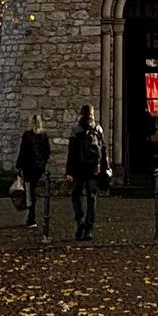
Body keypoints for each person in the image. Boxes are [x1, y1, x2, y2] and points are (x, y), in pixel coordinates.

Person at [65, 103, 107, 242]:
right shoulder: (98, 129)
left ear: (81, 114)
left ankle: (80, 221)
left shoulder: (76, 130)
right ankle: (89, 229)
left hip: (78, 169)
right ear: (93, 114)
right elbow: (104, 150)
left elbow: (71, 153)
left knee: (76, 195)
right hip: (94, 169)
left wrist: (69, 171)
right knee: (92, 198)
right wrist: (105, 168)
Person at [15, 113, 51, 229]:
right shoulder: (44, 136)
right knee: (32, 189)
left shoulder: (27, 135)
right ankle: (31, 217)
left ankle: (31, 218)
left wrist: (19, 166)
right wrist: (43, 164)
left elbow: (23, 152)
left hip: (28, 168)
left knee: (29, 192)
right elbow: (47, 152)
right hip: (38, 168)